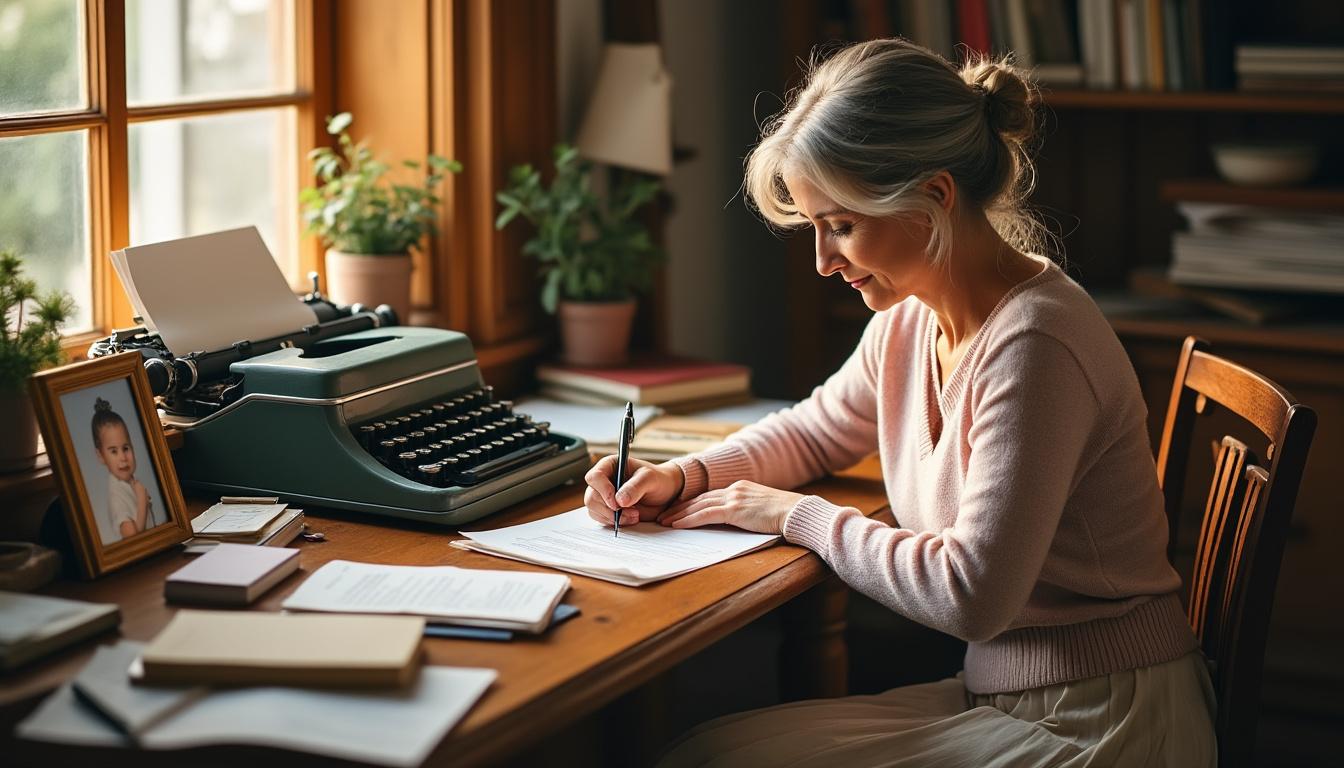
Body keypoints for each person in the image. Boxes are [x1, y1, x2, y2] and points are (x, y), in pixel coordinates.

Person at [583, 38, 1216, 766]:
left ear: (934, 198)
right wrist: (684, 476)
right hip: (1017, 696)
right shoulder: (913, 317)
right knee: (702, 752)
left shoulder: (1037, 345)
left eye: (842, 226)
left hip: (1106, 720)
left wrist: (798, 516)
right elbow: (814, 433)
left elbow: (971, 595)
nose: (823, 261)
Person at [91, 397, 154, 542]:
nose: (123, 457)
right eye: (113, 451)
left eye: (125, 448)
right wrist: (142, 501)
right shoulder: (116, 497)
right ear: (101, 456)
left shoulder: (130, 483)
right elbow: (132, 537)